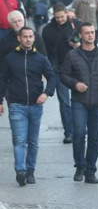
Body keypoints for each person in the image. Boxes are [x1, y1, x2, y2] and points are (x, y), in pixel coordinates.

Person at [59, 23, 98, 184]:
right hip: (79, 100)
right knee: (79, 133)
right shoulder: (72, 55)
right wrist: (75, 84)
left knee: (94, 138)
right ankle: (80, 165)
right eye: (87, 33)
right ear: (81, 35)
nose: (90, 35)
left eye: (92, 32)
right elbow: (63, 75)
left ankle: (90, 170)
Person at [0, 27, 57, 186]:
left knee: (33, 141)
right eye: (25, 36)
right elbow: (2, 80)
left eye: (30, 37)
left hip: (35, 104)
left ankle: (30, 170)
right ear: (19, 38)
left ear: (34, 39)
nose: (28, 39)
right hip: (17, 104)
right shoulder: (10, 59)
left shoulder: (40, 59)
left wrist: (46, 93)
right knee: (19, 140)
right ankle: (20, 170)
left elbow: (52, 77)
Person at [41, 3, 79, 144]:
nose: (60, 20)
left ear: (66, 13)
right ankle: (69, 132)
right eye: (57, 17)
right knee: (64, 101)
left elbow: (88, 40)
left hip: (75, 67)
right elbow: (44, 51)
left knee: (79, 99)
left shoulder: (75, 25)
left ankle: (80, 128)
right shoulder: (47, 30)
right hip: (57, 68)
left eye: (62, 17)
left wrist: (77, 44)